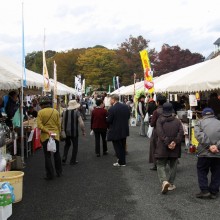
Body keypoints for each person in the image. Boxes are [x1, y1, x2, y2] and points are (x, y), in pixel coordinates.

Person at [155, 102, 184, 194]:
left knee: (160, 164)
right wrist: (174, 142)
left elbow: (160, 133)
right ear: (172, 110)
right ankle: (171, 184)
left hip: (162, 146)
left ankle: (164, 181)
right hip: (175, 147)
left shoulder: (160, 120)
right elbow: (181, 132)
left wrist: (167, 142)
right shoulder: (177, 121)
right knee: (173, 165)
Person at [194, 108, 220, 199]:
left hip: (203, 152)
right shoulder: (219, 122)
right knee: (217, 171)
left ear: (203, 115)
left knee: (202, 170)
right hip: (217, 152)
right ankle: (214, 191)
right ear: (213, 114)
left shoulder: (199, 123)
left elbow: (198, 135)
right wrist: (216, 146)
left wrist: (209, 146)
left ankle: (204, 190)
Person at [37, 96, 62, 180]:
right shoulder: (55, 111)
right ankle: (59, 172)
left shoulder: (40, 112)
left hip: (45, 136)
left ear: (41, 104)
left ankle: (50, 174)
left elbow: (39, 126)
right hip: (55, 135)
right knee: (56, 153)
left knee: (47, 156)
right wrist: (59, 133)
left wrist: (47, 131)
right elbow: (59, 124)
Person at [106, 94, 130, 166]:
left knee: (117, 147)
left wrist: (106, 119)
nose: (110, 101)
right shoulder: (125, 107)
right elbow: (128, 116)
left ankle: (121, 161)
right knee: (122, 146)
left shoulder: (112, 109)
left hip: (115, 130)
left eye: (110, 99)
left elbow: (109, 120)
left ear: (113, 100)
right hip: (124, 129)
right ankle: (122, 161)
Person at [62, 100, 85, 165]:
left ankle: (64, 157)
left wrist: (62, 130)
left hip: (66, 132)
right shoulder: (77, 112)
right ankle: (73, 160)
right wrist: (83, 131)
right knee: (75, 146)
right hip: (74, 132)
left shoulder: (64, 112)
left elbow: (61, 121)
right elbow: (81, 123)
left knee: (67, 144)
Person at [149, 94, 167, 170]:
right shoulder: (168, 110)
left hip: (157, 131)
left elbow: (152, 124)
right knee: (166, 147)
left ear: (158, 102)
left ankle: (156, 164)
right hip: (167, 130)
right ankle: (169, 163)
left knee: (155, 147)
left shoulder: (156, 111)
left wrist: (150, 119)